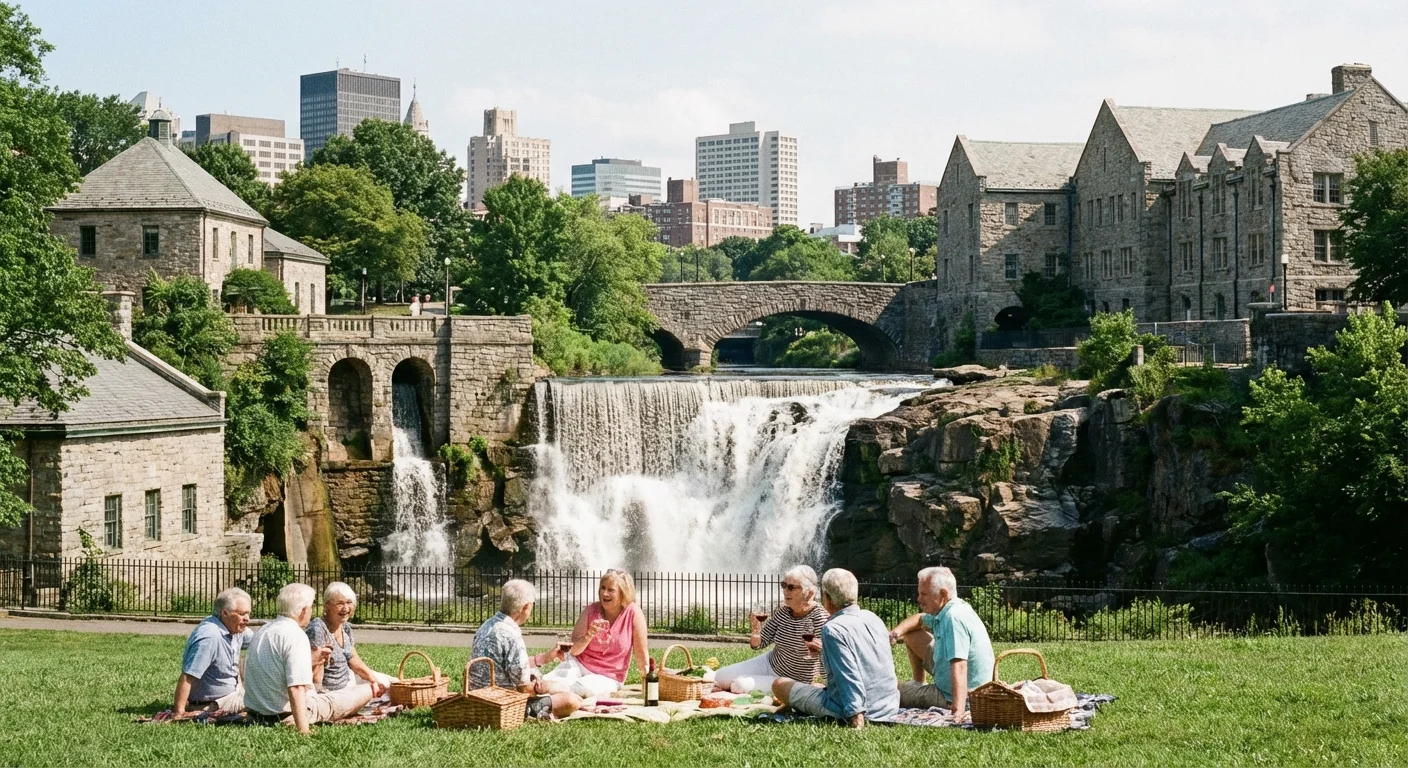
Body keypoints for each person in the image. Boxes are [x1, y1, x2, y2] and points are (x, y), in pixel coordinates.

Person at [772, 568, 899, 728]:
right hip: (888, 706)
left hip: (850, 708)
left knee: (780, 684)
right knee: (816, 686)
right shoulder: (873, 618)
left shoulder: (832, 629)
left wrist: (855, 716)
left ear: (828, 598)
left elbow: (847, 675)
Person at [245, 583, 373, 734]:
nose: (312, 612)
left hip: (255, 714)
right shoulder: (296, 635)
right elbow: (296, 688)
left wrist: (313, 659)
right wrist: (304, 730)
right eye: (311, 607)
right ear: (303, 610)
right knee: (368, 690)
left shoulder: (264, 629)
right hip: (284, 715)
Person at [888, 566, 994, 721]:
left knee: (891, 690)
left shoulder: (953, 618)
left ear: (943, 594)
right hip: (950, 671)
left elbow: (959, 665)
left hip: (956, 695)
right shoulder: (953, 608)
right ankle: (919, 683)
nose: (919, 599)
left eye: (924, 594)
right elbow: (919, 619)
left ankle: (918, 690)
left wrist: (958, 711)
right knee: (910, 633)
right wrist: (895, 633)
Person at [470, 579, 583, 719]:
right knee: (571, 700)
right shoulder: (512, 635)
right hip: (500, 705)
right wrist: (544, 687)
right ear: (525, 607)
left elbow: (509, 665)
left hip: (475, 698)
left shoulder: (488, 625)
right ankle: (536, 712)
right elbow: (524, 689)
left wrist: (545, 658)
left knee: (536, 673)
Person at [714, 565, 828, 693]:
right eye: (784, 585)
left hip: (791, 679)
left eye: (791, 587)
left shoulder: (820, 618)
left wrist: (821, 651)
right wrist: (756, 633)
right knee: (718, 677)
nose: (786, 591)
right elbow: (759, 644)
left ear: (809, 593)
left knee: (739, 685)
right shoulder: (784, 611)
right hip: (769, 663)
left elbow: (829, 659)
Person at [543, 569, 648, 699]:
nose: (604, 593)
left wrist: (648, 681)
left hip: (609, 676)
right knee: (548, 681)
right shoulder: (591, 610)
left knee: (579, 688)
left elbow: (641, 653)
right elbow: (574, 651)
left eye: (611, 590)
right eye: (602, 588)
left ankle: (547, 701)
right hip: (579, 664)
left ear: (623, 593)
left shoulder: (634, 613)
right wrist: (588, 635)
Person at [172, 587, 253, 717]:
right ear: (224, 613)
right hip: (215, 702)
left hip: (234, 690)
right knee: (266, 703)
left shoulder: (234, 627)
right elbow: (188, 676)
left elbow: (257, 642)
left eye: (249, 613)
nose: (247, 619)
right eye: (242, 614)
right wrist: (179, 712)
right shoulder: (210, 636)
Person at [306, 582, 393, 694]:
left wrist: (372, 679)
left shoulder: (345, 626)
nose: (346, 608)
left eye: (349, 602)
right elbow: (315, 669)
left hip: (349, 680)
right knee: (374, 692)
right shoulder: (318, 629)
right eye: (340, 603)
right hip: (331, 691)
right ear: (327, 606)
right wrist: (319, 696)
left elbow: (353, 659)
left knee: (390, 684)